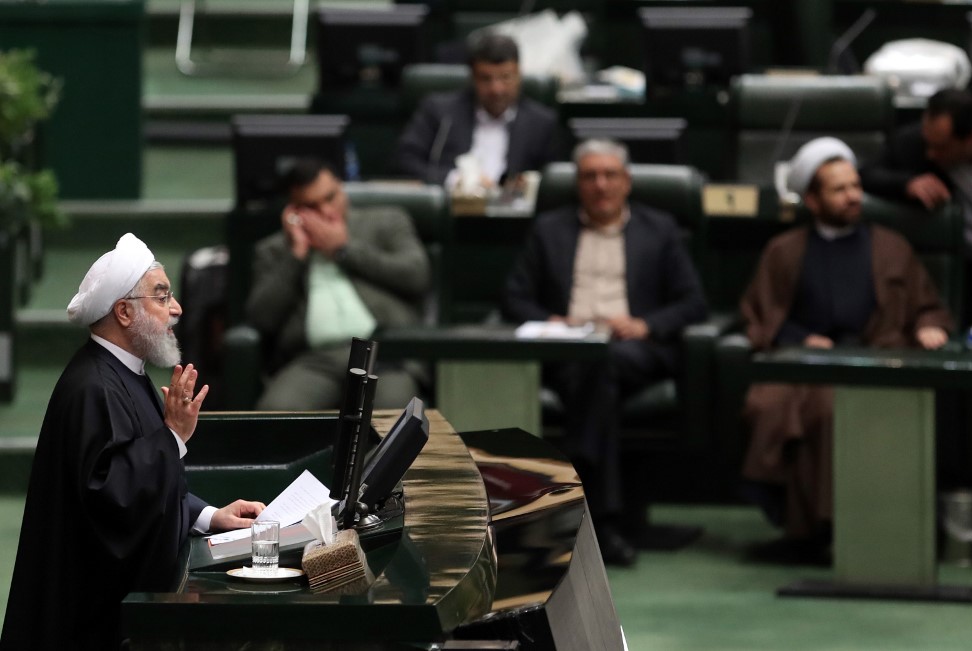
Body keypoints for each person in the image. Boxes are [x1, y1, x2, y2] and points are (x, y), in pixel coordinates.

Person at [1, 234, 266, 651]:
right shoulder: (93, 388)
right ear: (124, 312)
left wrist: (208, 515)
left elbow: (143, 485)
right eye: (162, 296)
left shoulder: (125, 372)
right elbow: (114, 502)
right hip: (91, 625)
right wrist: (173, 435)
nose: (177, 309)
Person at [741, 138, 953, 561]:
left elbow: (927, 306)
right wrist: (801, 339)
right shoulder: (784, 250)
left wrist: (929, 325)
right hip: (806, 363)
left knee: (827, 409)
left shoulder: (891, 246)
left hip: (875, 360)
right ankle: (803, 530)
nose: (853, 196)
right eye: (839, 190)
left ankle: (827, 530)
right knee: (768, 405)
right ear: (813, 200)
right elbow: (762, 314)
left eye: (855, 186)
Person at [502, 139, 708, 566]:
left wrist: (646, 324)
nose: (601, 185)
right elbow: (514, 298)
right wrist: (553, 320)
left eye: (610, 175)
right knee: (594, 372)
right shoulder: (549, 230)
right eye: (590, 176)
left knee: (603, 364)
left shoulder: (660, 229)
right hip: (568, 351)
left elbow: (693, 302)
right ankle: (604, 522)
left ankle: (580, 506)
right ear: (578, 184)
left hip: (633, 348)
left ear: (626, 181)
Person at [247, 158, 431, 410]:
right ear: (293, 211)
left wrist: (344, 250)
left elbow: (417, 276)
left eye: (330, 197)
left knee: (394, 413)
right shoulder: (274, 250)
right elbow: (262, 318)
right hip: (314, 361)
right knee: (275, 412)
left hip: (385, 355)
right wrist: (296, 256)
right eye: (311, 206)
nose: (326, 211)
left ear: (341, 189)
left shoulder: (386, 221)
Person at [860, 88, 972, 334]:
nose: (930, 154)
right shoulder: (915, 143)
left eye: (941, 147)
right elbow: (867, 174)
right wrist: (906, 183)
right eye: (928, 144)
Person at [395, 31, 561, 187]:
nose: (496, 89)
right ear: (472, 78)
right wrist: (454, 179)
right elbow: (404, 161)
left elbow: (555, 179)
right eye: (486, 79)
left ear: (519, 75)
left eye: (505, 77)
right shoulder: (439, 112)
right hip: (453, 203)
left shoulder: (542, 122)